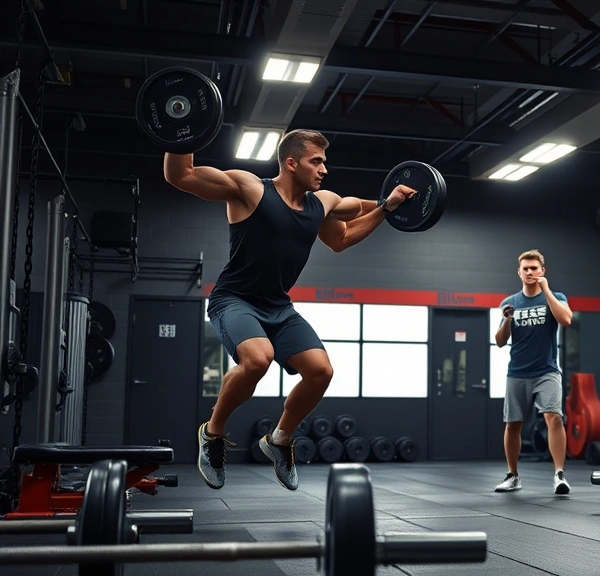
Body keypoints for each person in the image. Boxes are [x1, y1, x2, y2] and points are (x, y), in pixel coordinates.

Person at [164, 129, 416, 491]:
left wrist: (389, 204)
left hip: (278, 307)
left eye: (325, 162)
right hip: (234, 299)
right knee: (257, 359)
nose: (324, 169)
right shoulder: (250, 189)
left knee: (320, 371)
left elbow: (344, 235)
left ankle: (279, 439)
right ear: (291, 162)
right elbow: (181, 175)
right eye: (317, 161)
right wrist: (182, 131)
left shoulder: (322, 203)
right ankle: (213, 433)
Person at [493, 250, 573, 495]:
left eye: (534, 268)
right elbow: (499, 341)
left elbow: (566, 320)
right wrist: (507, 319)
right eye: (525, 269)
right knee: (513, 424)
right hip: (517, 372)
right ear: (519, 272)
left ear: (542, 271)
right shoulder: (511, 302)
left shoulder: (556, 297)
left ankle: (559, 475)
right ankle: (512, 475)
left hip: (547, 371)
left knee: (554, 417)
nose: (530, 272)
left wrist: (546, 291)